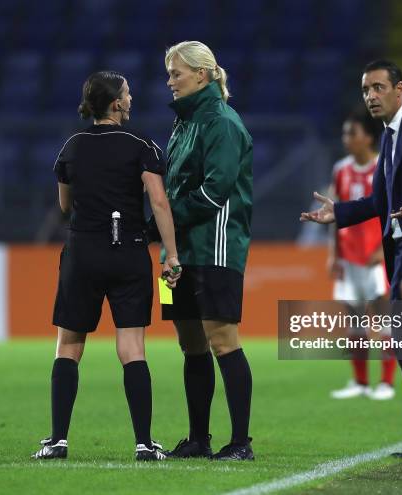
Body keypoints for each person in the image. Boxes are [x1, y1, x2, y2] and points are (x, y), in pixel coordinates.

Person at [300, 60, 402, 461]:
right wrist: (340, 214)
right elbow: (378, 202)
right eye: (365, 89)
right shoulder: (388, 138)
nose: (370, 96)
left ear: (399, 89)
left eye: (377, 87)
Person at [31, 71, 181, 462]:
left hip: (83, 252)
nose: (130, 99)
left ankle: (58, 441)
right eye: (127, 94)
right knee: (132, 348)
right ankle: (145, 444)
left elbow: (65, 206)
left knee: (68, 345)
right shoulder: (141, 144)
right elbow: (160, 203)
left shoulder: (72, 146)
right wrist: (172, 254)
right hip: (129, 252)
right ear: (116, 103)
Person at [158, 41, 254, 461]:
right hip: (176, 253)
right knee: (189, 344)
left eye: (176, 73)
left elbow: (215, 191)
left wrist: (163, 221)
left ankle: (240, 443)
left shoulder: (222, 122)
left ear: (202, 74)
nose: (170, 81)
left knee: (223, 341)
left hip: (215, 247)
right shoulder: (184, 123)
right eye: (170, 74)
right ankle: (199, 439)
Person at [326, 108, 396, 401]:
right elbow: (335, 214)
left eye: (351, 133)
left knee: (383, 320)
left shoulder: (384, 167)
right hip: (349, 255)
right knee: (354, 320)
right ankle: (360, 381)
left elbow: (393, 211)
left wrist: (383, 249)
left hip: (375, 256)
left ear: (368, 137)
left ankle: (387, 383)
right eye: (344, 133)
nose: (346, 139)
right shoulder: (340, 169)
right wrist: (333, 254)